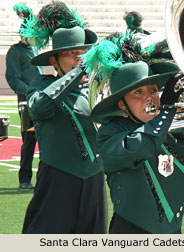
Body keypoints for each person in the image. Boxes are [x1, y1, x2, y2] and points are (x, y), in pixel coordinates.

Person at [83, 33, 184, 234]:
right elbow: (141, 146)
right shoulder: (111, 134)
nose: (149, 98)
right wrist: (168, 110)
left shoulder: (178, 140)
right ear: (121, 103)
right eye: (138, 93)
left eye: (153, 91)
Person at [21, 1, 107, 234]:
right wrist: (80, 70)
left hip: (94, 180)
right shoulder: (41, 85)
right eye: (71, 54)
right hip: (58, 179)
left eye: (83, 53)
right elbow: (40, 109)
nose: (79, 58)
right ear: (53, 60)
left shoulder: (97, 88)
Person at [5, 4, 43, 189]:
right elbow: (12, 78)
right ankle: (25, 179)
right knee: (29, 140)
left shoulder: (36, 51)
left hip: (41, 99)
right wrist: (29, 92)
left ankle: (44, 179)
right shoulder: (16, 51)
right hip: (26, 101)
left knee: (45, 139)